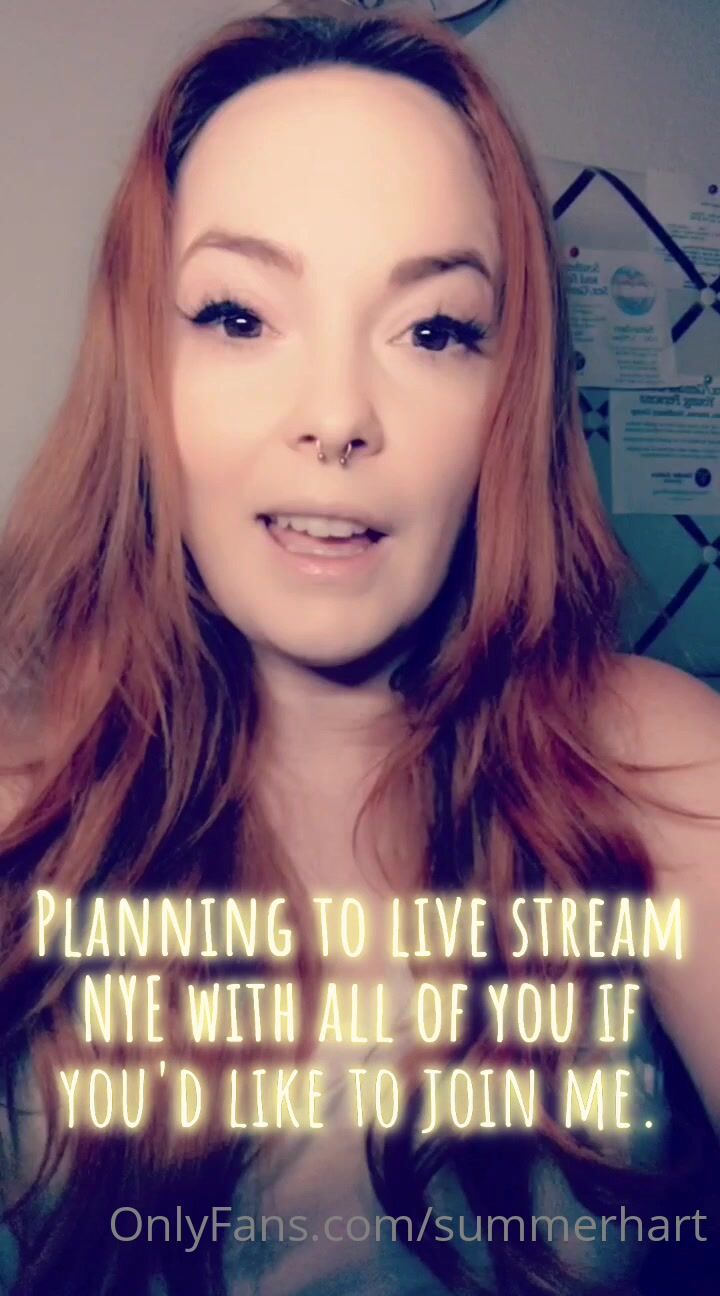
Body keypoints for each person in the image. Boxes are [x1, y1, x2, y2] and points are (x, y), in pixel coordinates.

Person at [0, 2, 718, 1293]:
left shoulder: (654, 765)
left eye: (435, 330)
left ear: (507, 396)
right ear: (141, 367)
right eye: (237, 316)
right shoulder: (18, 810)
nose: (337, 416)